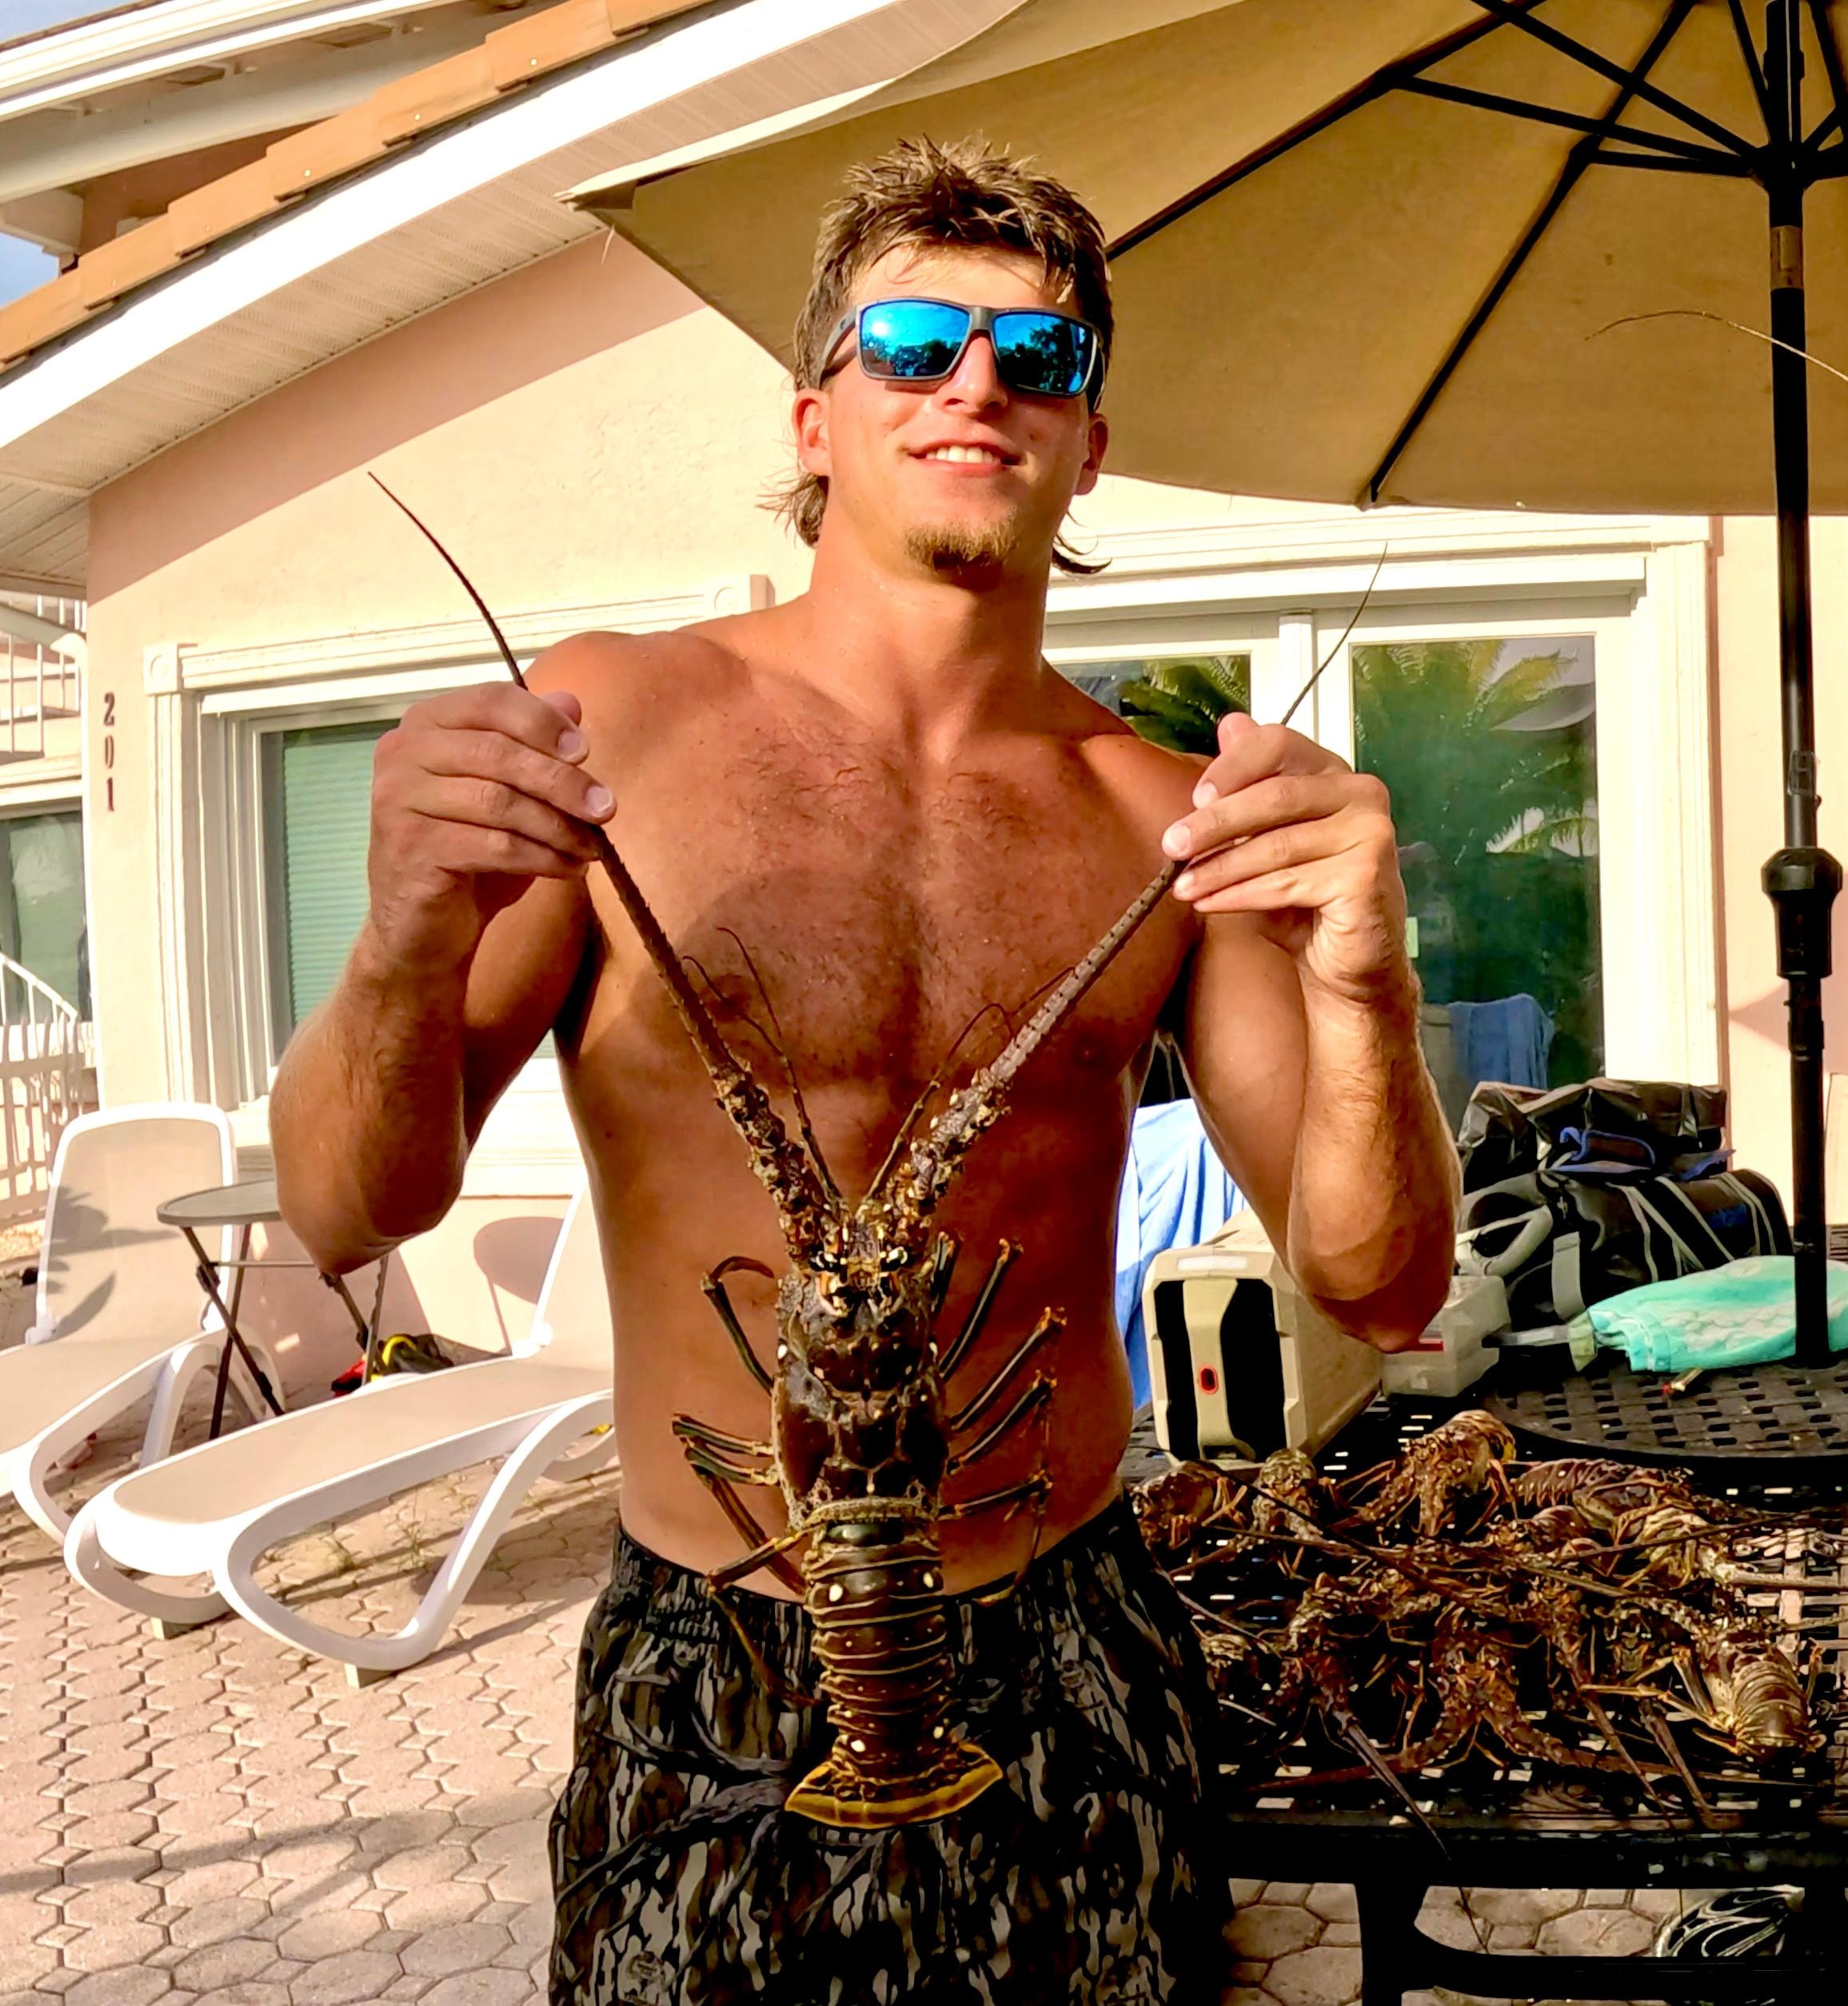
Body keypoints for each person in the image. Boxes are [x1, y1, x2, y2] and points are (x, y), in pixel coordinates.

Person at [270, 138, 1459, 2002]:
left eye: (1036, 355)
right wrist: (403, 940)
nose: (974, 382)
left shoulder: (1166, 821)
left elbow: (1379, 1286)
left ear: (1088, 439)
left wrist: (1370, 991)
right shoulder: (607, 728)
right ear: (814, 417)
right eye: (911, 341)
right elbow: (348, 1210)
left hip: (1063, 1641)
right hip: (719, 1656)